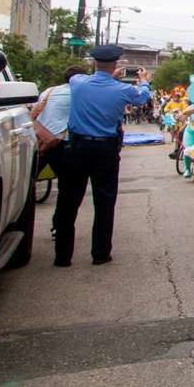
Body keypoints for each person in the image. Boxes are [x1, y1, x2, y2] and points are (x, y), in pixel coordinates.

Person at [53, 45, 152, 266]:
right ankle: (100, 253)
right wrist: (144, 80)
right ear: (116, 64)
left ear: (93, 63)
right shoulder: (122, 90)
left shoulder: (77, 82)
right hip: (105, 150)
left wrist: (107, 75)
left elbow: (88, 79)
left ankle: (62, 256)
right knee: (104, 203)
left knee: (68, 201)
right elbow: (142, 97)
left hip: (76, 148)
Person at [32, 65, 87, 183]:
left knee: (29, 181)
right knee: (68, 186)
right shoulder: (79, 94)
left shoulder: (49, 91)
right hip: (62, 144)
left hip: (41, 141)